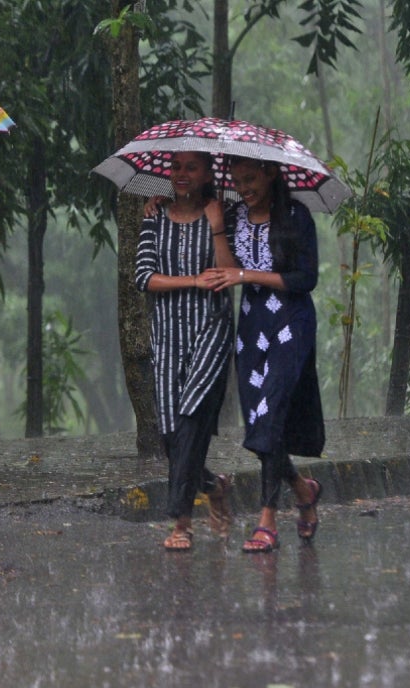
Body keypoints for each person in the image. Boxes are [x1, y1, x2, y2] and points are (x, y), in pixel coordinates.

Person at [200, 156, 325, 552]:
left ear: (272, 173)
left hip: (292, 323)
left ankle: (267, 517)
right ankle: (303, 490)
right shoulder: (233, 216)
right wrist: (218, 227)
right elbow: (225, 272)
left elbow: (306, 278)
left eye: (250, 179)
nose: (243, 187)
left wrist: (247, 275)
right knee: (260, 421)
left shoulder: (296, 216)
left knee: (271, 413)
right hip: (252, 325)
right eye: (237, 181)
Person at [134, 151, 238, 551]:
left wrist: (216, 227)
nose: (181, 174)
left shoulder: (224, 212)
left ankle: (181, 521)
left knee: (192, 415)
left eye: (191, 167)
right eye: (176, 167)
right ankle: (214, 485)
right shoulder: (154, 215)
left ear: (208, 172)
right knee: (169, 435)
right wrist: (193, 280)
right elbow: (144, 278)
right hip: (167, 333)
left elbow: (229, 275)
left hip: (211, 329)